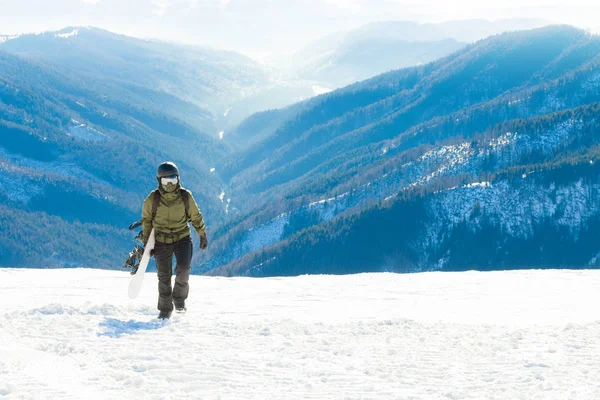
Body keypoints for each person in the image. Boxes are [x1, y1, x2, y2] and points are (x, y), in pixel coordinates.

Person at [141, 161, 208, 320]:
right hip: (161, 241)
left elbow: (195, 215)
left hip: (182, 238)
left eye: (173, 180)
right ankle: (165, 310)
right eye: (165, 181)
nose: (169, 184)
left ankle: (179, 300)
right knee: (164, 276)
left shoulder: (185, 196)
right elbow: (146, 220)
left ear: (178, 179)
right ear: (159, 181)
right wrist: (147, 243)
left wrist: (202, 234)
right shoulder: (153, 199)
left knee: (183, 271)